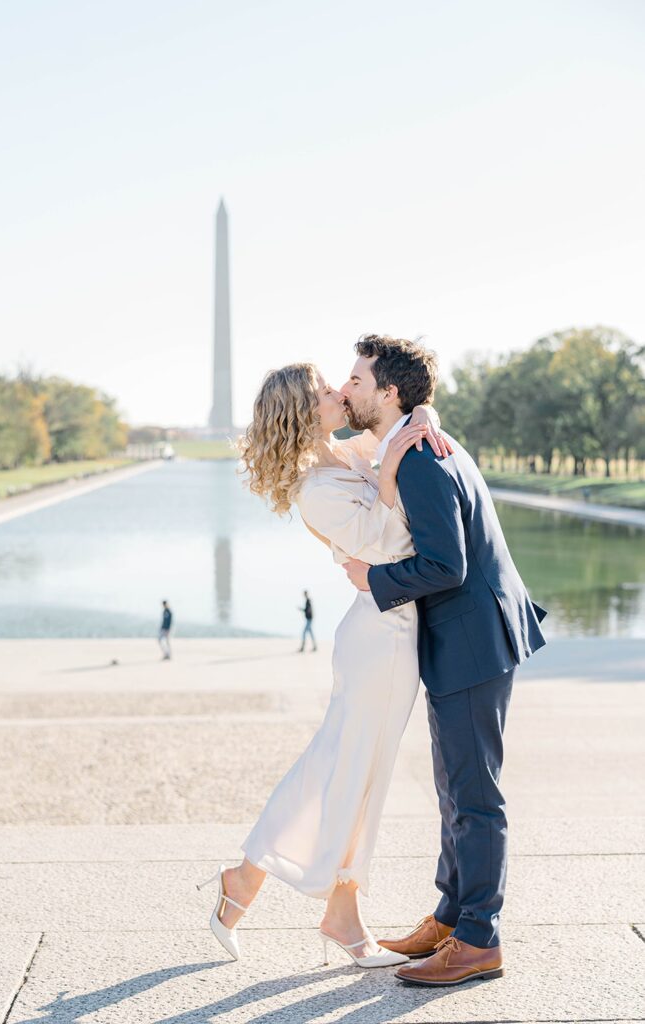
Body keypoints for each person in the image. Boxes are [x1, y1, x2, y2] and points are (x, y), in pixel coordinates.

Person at [197, 361, 451, 967]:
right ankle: (327, 910)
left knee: (346, 769)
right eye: (326, 391)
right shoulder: (315, 488)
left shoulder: (350, 452)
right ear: (304, 412)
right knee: (352, 772)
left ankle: (257, 886)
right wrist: (390, 472)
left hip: (391, 633)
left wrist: (427, 416)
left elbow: (403, 421)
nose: (342, 391)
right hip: (378, 641)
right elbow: (391, 547)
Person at [341, 334, 547, 988]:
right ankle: (452, 915)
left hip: (470, 640)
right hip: (468, 636)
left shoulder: (422, 456)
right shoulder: (417, 439)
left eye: (355, 378)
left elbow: (444, 564)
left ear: (390, 392)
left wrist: (369, 578)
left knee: (474, 796)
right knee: (454, 787)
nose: (347, 388)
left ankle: (479, 939)